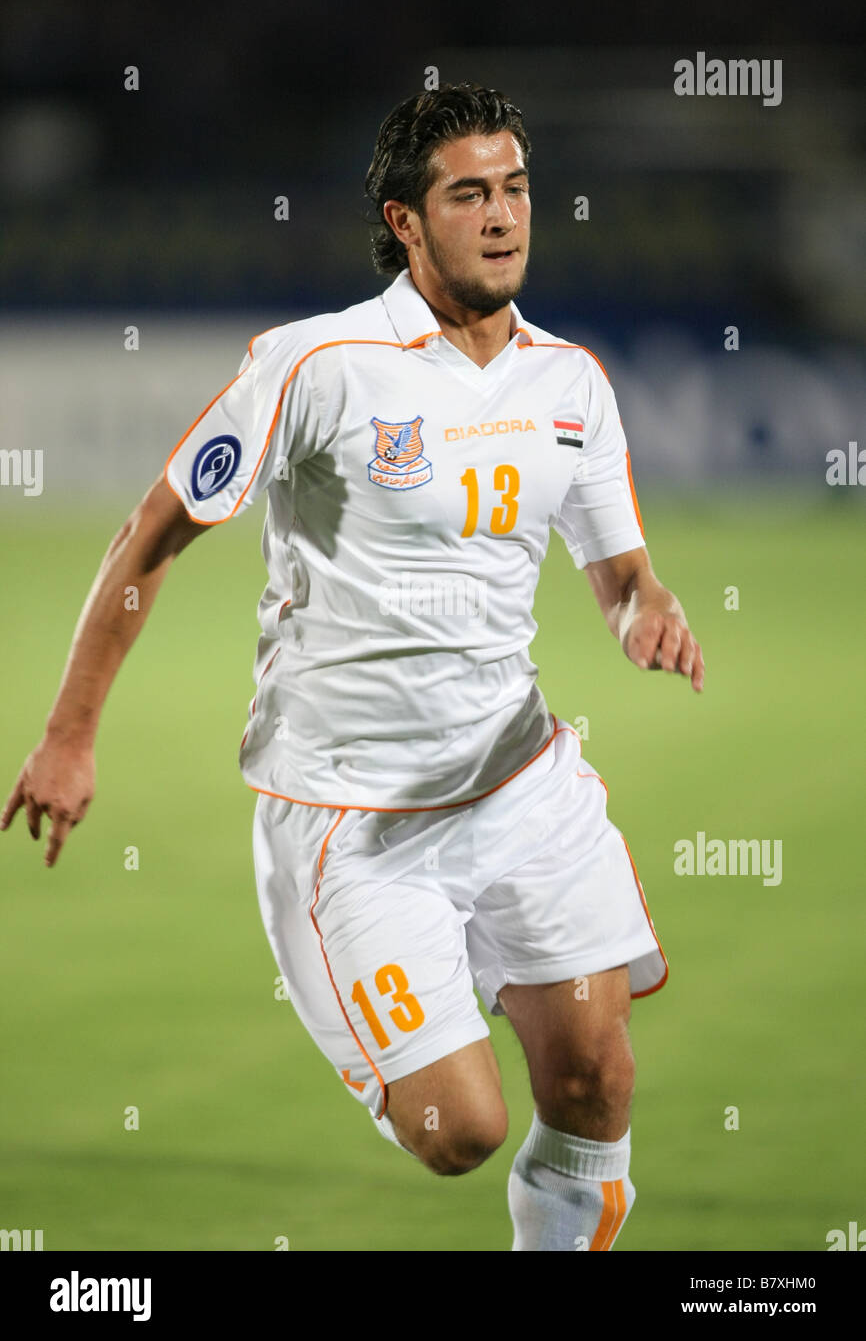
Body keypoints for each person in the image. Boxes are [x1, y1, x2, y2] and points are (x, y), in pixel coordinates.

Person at [1, 82, 704, 1251]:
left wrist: (643, 610)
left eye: (515, 189)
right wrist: (69, 735)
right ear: (403, 223)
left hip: (521, 785)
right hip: (349, 816)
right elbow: (150, 535)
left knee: (594, 1081)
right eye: (466, 193)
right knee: (459, 1129)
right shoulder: (317, 363)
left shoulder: (568, 383)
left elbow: (620, 572)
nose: (500, 216)